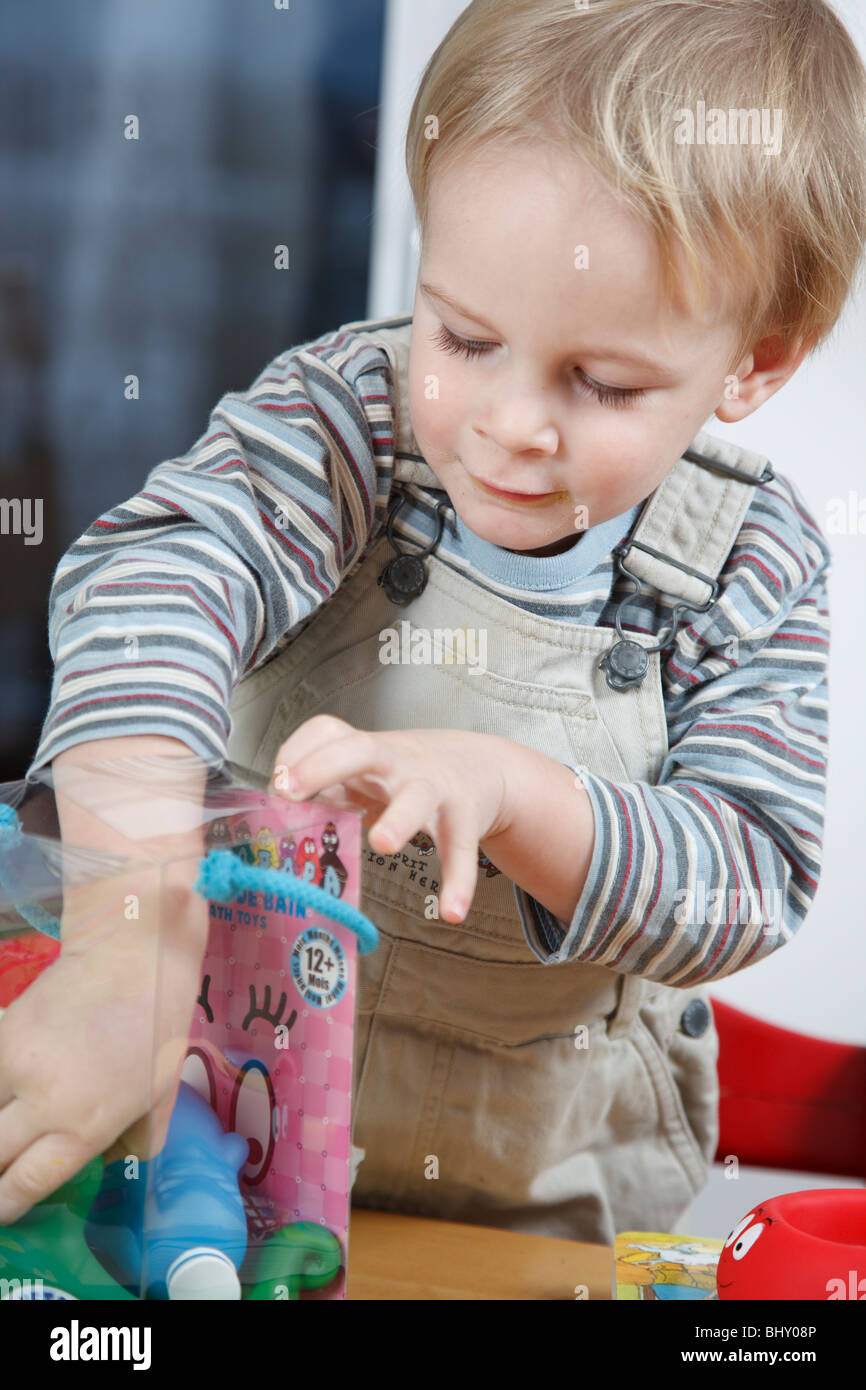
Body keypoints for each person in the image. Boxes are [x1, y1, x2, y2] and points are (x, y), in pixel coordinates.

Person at [1, 0, 864, 1246]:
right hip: (210, 1170)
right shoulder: (347, 424)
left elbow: (745, 876)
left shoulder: (747, 563)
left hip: (532, 1226)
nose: (510, 423)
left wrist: (515, 794)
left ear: (753, 364)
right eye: (463, 334)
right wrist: (129, 925)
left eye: (601, 382)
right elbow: (151, 589)